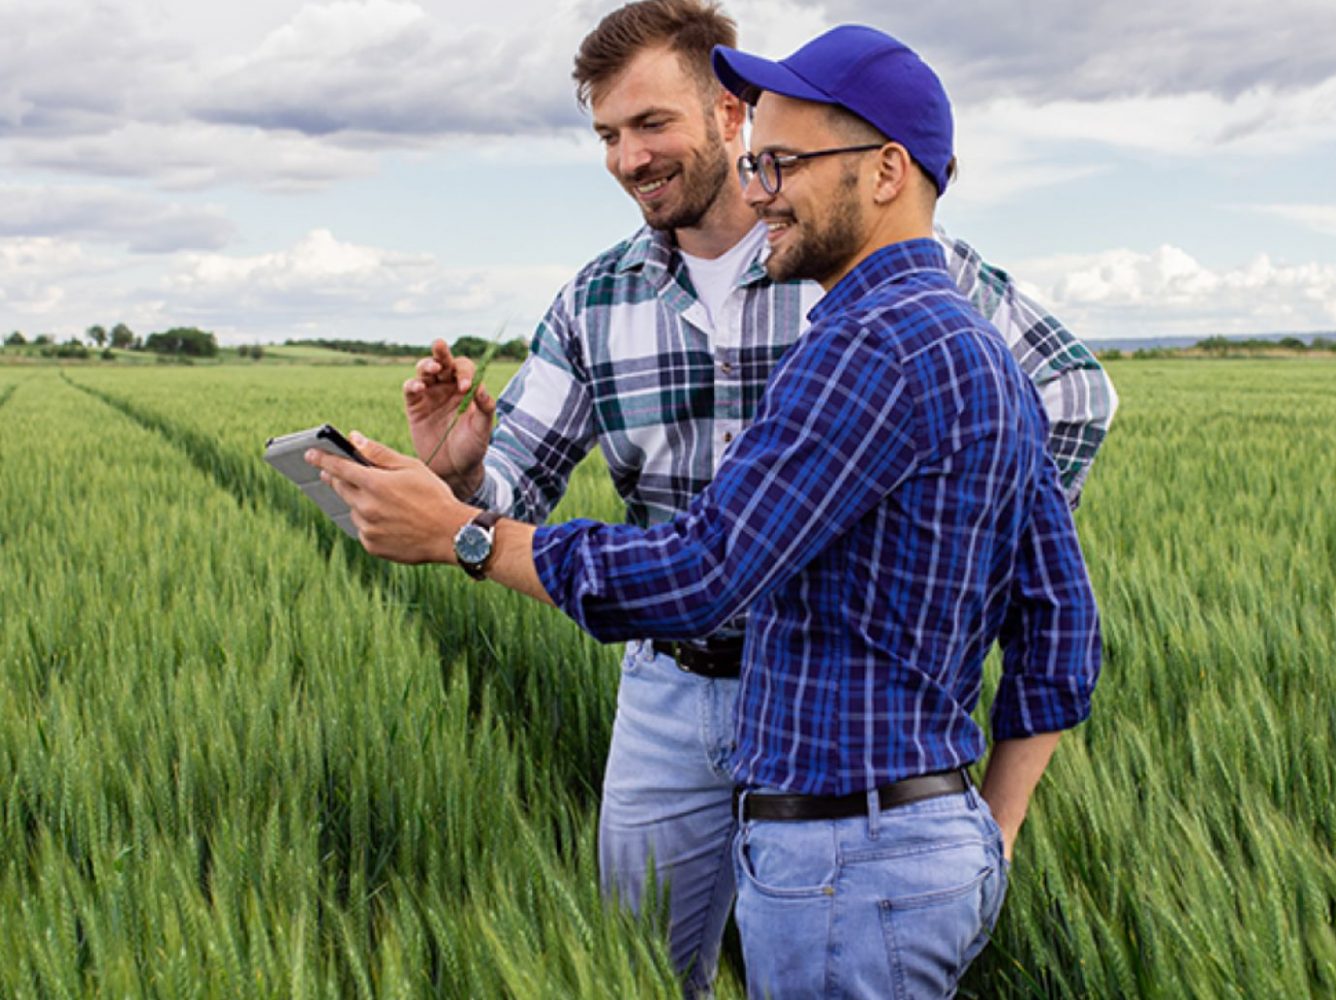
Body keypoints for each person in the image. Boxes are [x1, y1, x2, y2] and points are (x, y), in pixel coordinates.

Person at [327, 2, 1113, 994]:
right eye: (607, 136)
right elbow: (511, 495)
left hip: (834, 713)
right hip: (680, 685)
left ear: (727, 117)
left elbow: (1074, 398)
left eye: (651, 124)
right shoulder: (598, 298)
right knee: (638, 965)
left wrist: (938, 541)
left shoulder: (879, 303)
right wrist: (457, 475)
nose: (626, 157)